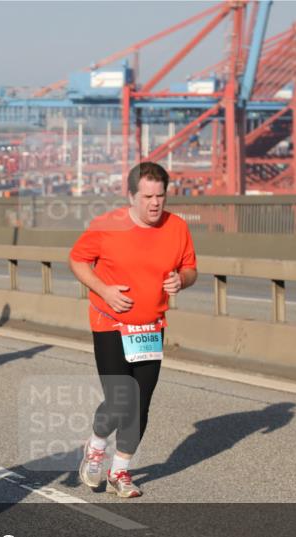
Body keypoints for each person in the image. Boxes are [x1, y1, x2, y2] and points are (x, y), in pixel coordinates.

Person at [69, 162, 197, 498]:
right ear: (131, 196)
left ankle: (119, 472)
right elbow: (78, 260)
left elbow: (191, 268)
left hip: (151, 326)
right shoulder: (108, 226)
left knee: (140, 403)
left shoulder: (177, 227)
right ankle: (96, 448)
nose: (155, 203)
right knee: (120, 399)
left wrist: (180, 280)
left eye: (161, 196)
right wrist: (104, 290)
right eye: (148, 196)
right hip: (110, 322)